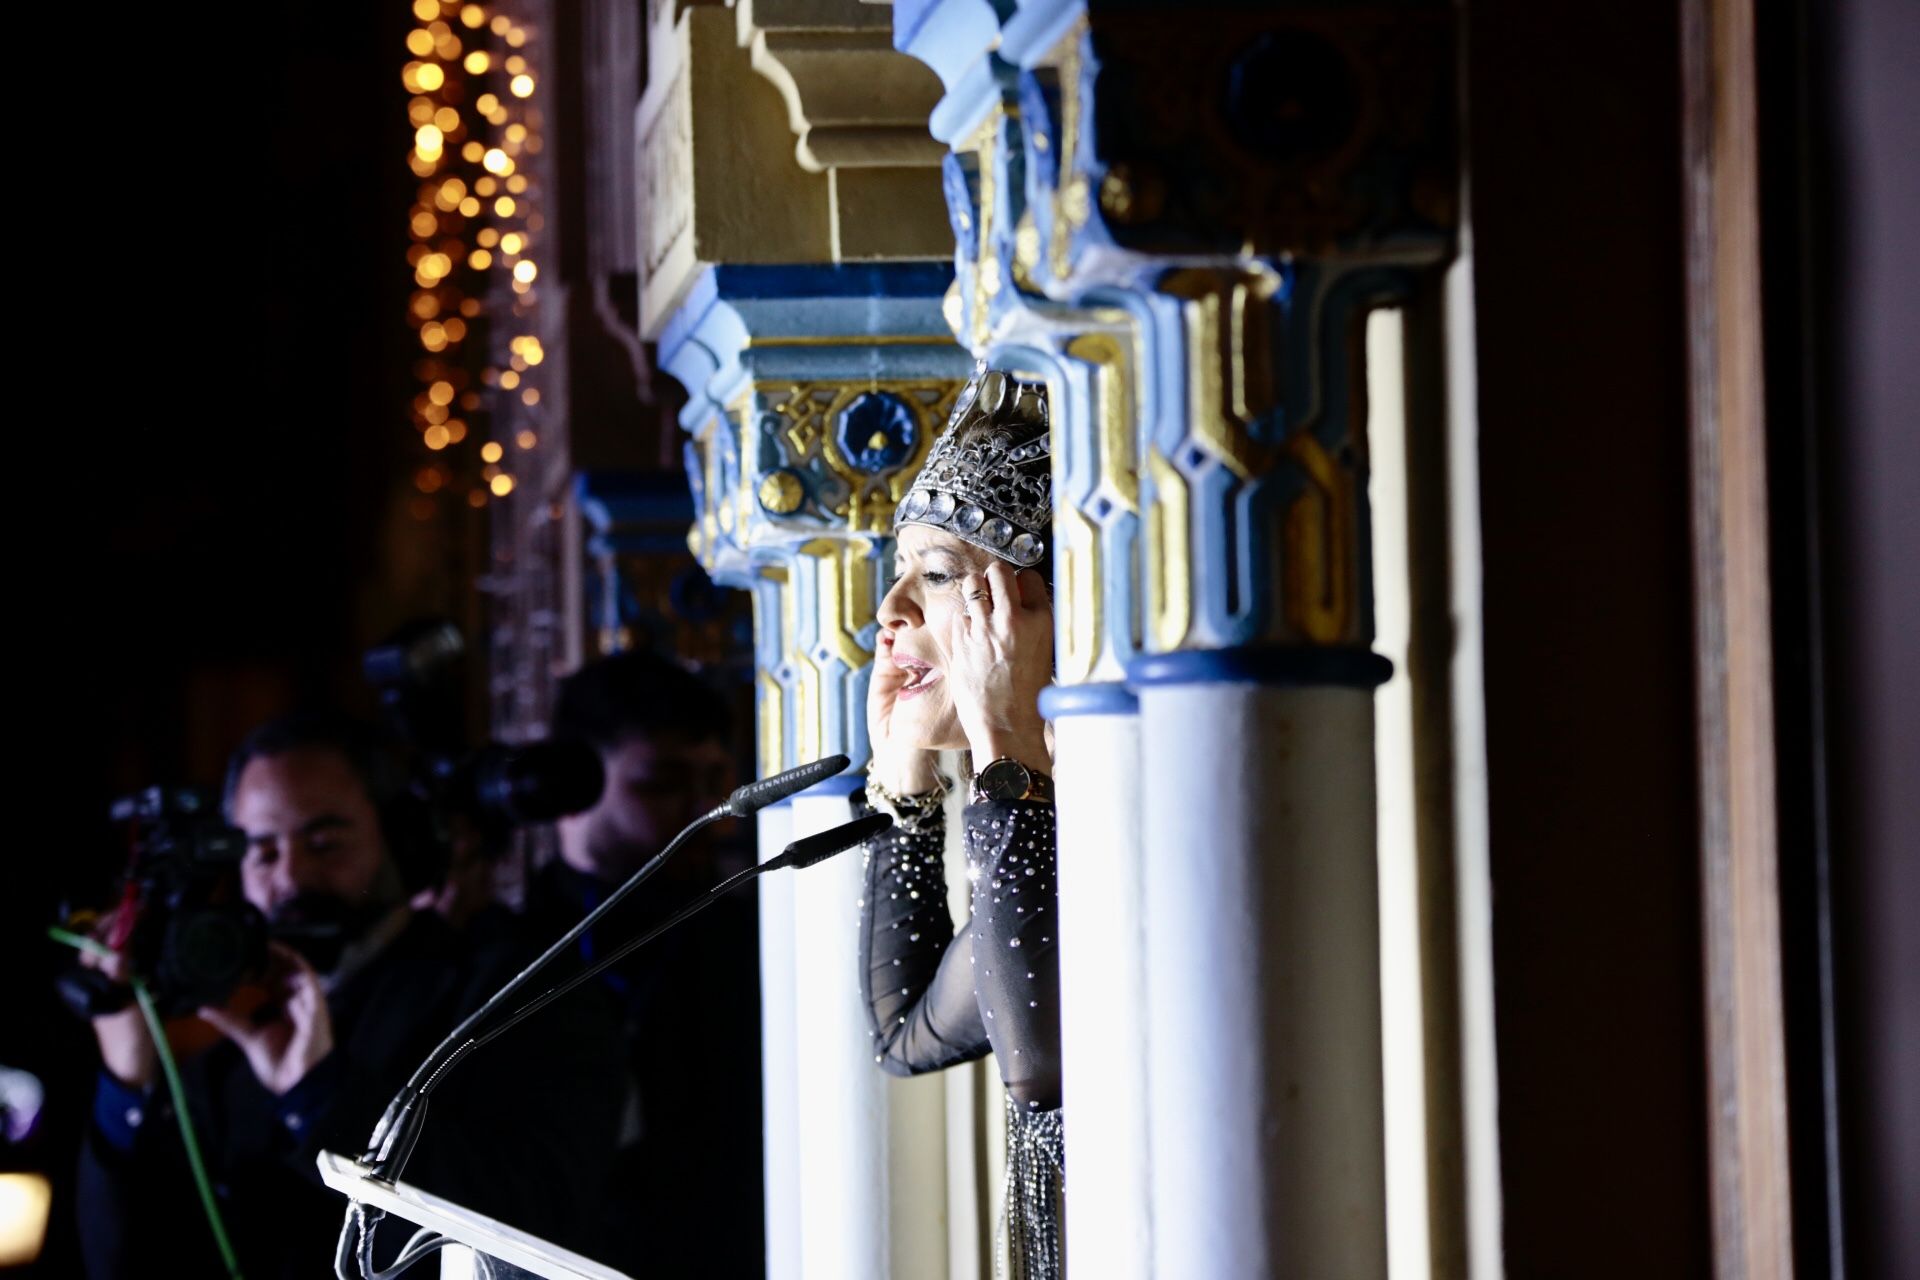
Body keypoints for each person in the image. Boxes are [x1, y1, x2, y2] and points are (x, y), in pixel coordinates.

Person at [75, 714, 623, 1279]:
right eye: (262, 852)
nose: (290, 876)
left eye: (324, 843)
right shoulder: (223, 1067)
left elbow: (535, 1226)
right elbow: (123, 1263)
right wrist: (126, 1078)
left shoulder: (523, 995)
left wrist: (318, 1092)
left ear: (401, 842)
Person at [857, 367, 1065, 1277]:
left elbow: (1039, 1062)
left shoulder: (1099, 812)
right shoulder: (1031, 821)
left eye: (936, 576)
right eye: (899, 574)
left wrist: (1004, 739)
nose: (889, 613)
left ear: (1039, 606)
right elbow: (903, 1036)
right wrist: (905, 788)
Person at [535, 650, 764, 1276]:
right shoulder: (507, 946)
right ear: (572, 782)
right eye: (664, 783)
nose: (705, 812)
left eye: (713, 781)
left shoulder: (746, 936)